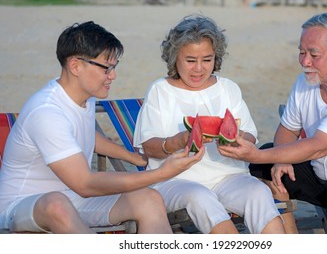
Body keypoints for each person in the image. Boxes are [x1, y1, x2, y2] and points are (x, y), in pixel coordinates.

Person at [0, 21, 204, 234]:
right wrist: (161, 173)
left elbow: (86, 134)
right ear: (76, 66)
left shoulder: (82, 97)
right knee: (57, 205)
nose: (113, 76)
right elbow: (85, 184)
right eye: (106, 68)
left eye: (114, 67)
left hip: (73, 198)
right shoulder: (46, 112)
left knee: (149, 199)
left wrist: (131, 156)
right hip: (22, 206)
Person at [218, 12, 327, 234]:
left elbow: (319, 145)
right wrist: (279, 158)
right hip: (324, 182)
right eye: (301, 52)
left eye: (313, 54)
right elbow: (288, 129)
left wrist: (253, 154)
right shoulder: (307, 81)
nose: (304, 61)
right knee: (267, 160)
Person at [133, 14, 285, 234]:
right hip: (175, 180)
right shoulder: (160, 90)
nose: (199, 69)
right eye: (190, 60)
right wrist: (179, 141)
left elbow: (250, 134)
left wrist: (238, 140)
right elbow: (148, 147)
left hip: (229, 177)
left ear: (216, 57)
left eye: (207, 59)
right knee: (200, 196)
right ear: (174, 58)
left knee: (258, 192)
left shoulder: (228, 88)